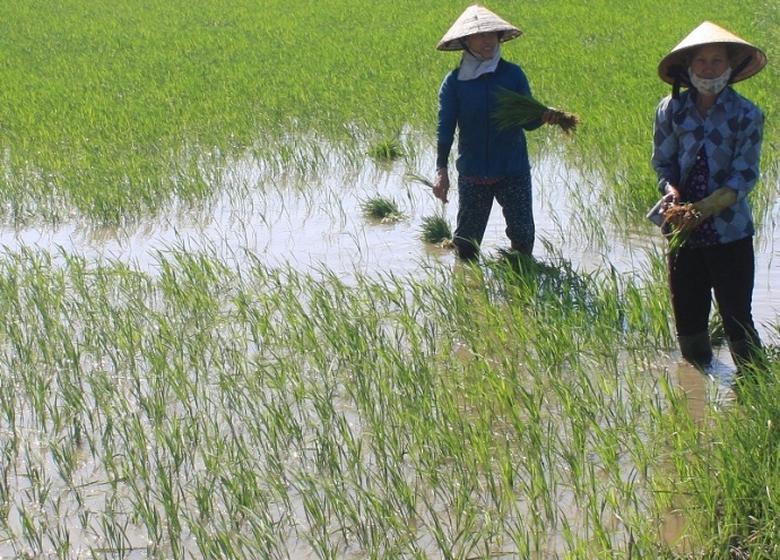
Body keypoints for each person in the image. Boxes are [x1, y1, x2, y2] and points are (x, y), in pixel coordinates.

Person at [651, 21, 767, 372]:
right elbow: (664, 164)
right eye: (701, 61)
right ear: (688, 67)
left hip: (729, 230)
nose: (709, 69)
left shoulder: (747, 114)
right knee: (688, 317)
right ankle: (695, 385)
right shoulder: (671, 109)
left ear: (731, 66)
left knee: (736, 315)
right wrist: (672, 194)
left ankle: (755, 384)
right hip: (682, 230)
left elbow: (744, 175)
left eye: (717, 61)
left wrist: (703, 209)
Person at [432, 4, 559, 260]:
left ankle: (522, 278)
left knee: (523, 236)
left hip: (512, 169)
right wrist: (441, 170)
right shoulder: (455, 83)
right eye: (479, 35)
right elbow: (445, 127)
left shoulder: (513, 75)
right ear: (466, 41)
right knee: (467, 244)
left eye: (492, 34)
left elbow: (527, 122)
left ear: (500, 37)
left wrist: (544, 116)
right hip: (474, 171)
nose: (487, 41)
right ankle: (468, 282)